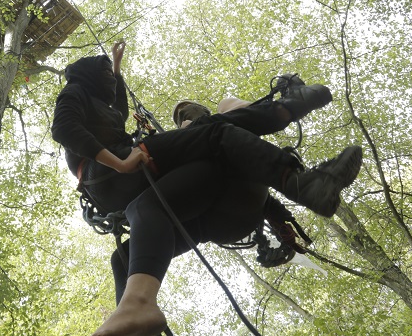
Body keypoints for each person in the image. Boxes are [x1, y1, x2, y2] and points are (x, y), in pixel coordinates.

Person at [51, 41, 362, 336]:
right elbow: (64, 128)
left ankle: (132, 316)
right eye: (104, 73)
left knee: (124, 254)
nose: (109, 79)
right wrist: (120, 163)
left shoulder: (104, 109)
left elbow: (118, 110)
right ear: (89, 76)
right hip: (111, 174)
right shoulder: (75, 91)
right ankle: (289, 126)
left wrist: (117, 71)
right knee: (215, 132)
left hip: (196, 205)